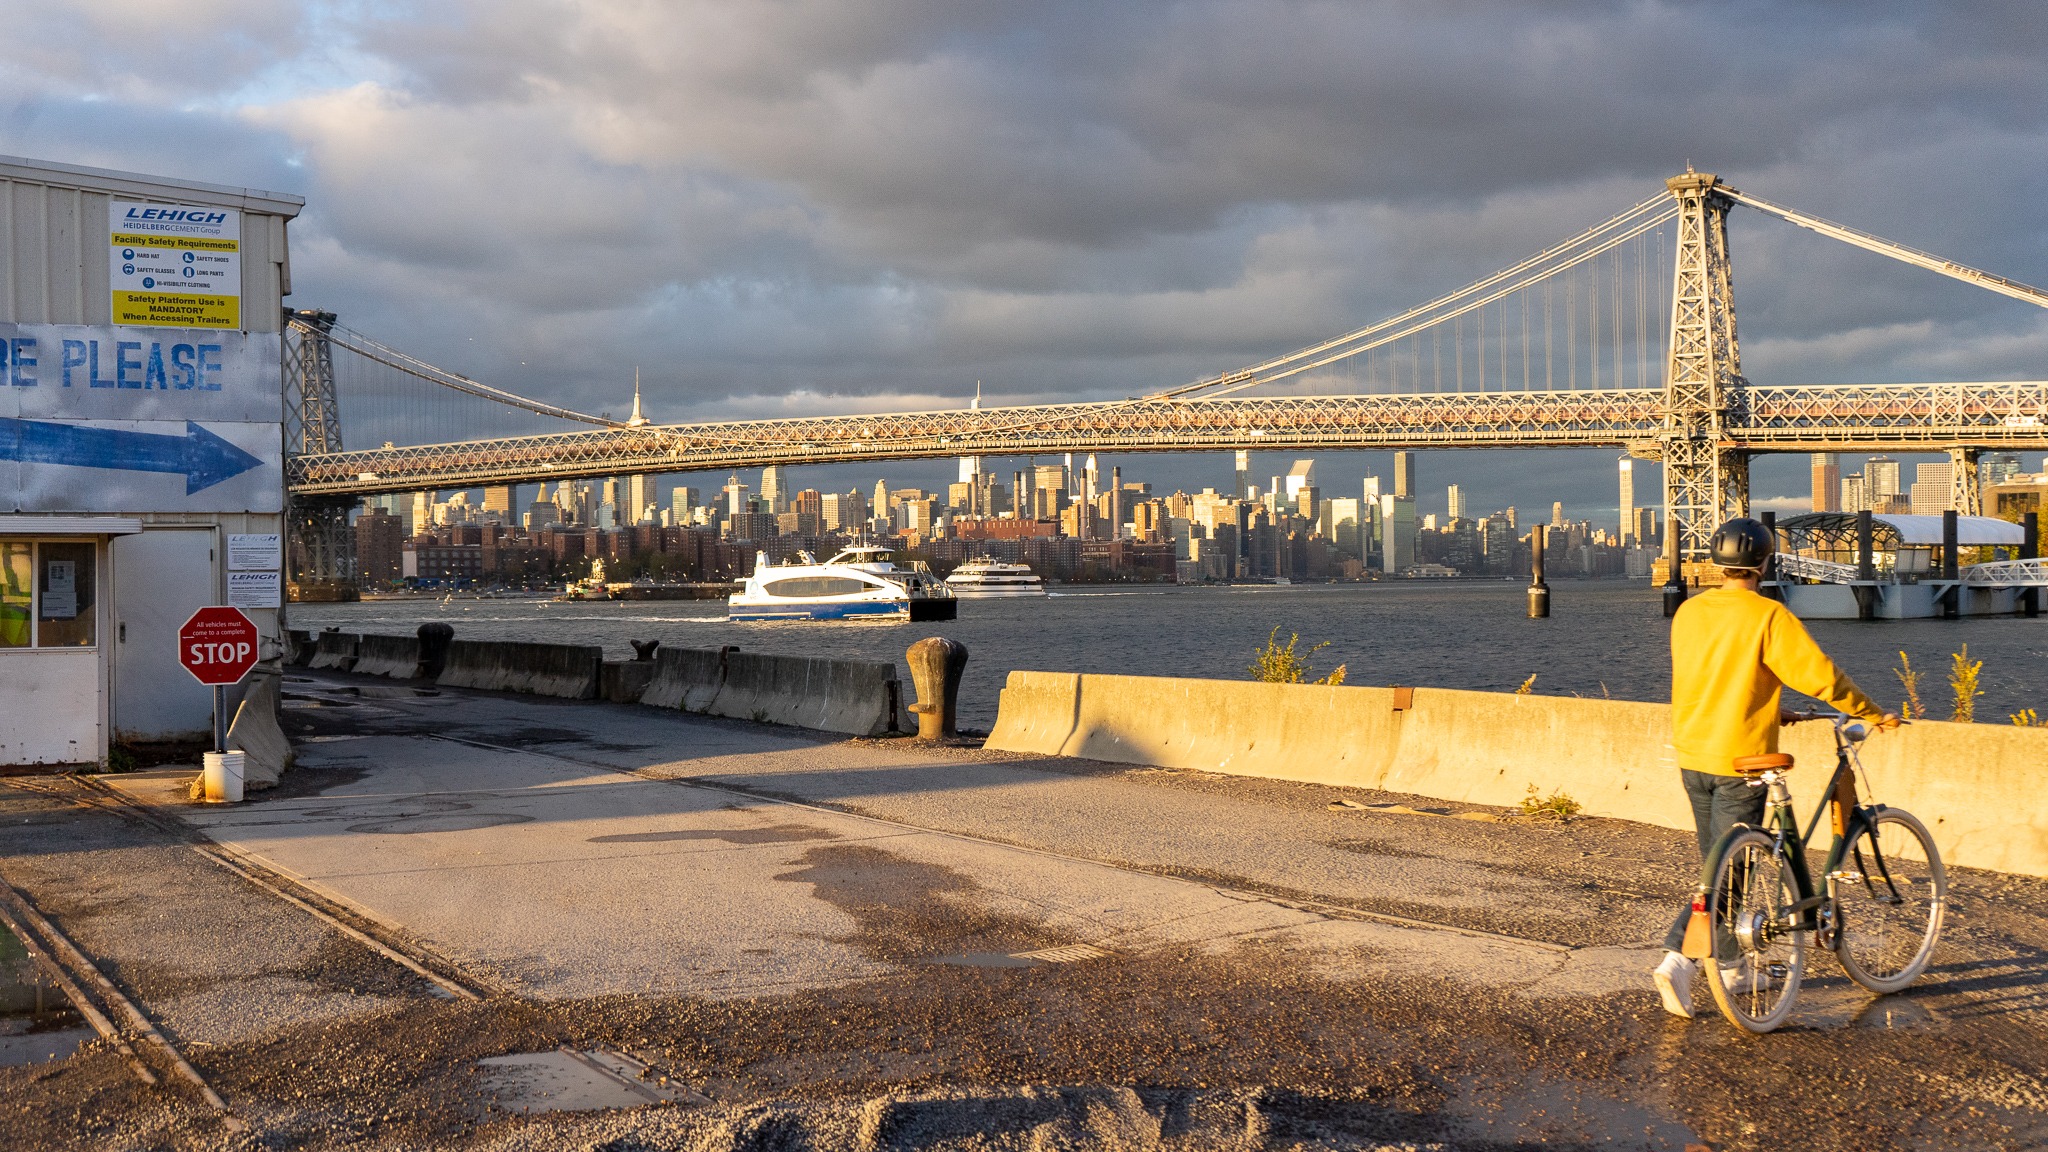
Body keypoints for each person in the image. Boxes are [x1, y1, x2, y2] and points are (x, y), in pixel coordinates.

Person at [1652, 516, 1896, 1018]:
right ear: (1764, 562)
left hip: (1693, 754)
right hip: (1740, 761)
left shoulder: (1689, 613)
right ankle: (1679, 960)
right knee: (1727, 877)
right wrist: (1873, 712)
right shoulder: (1769, 615)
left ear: (1718, 562)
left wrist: (1771, 706)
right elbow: (1822, 678)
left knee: (1717, 869)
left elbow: (1713, 677)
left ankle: (1736, 967)